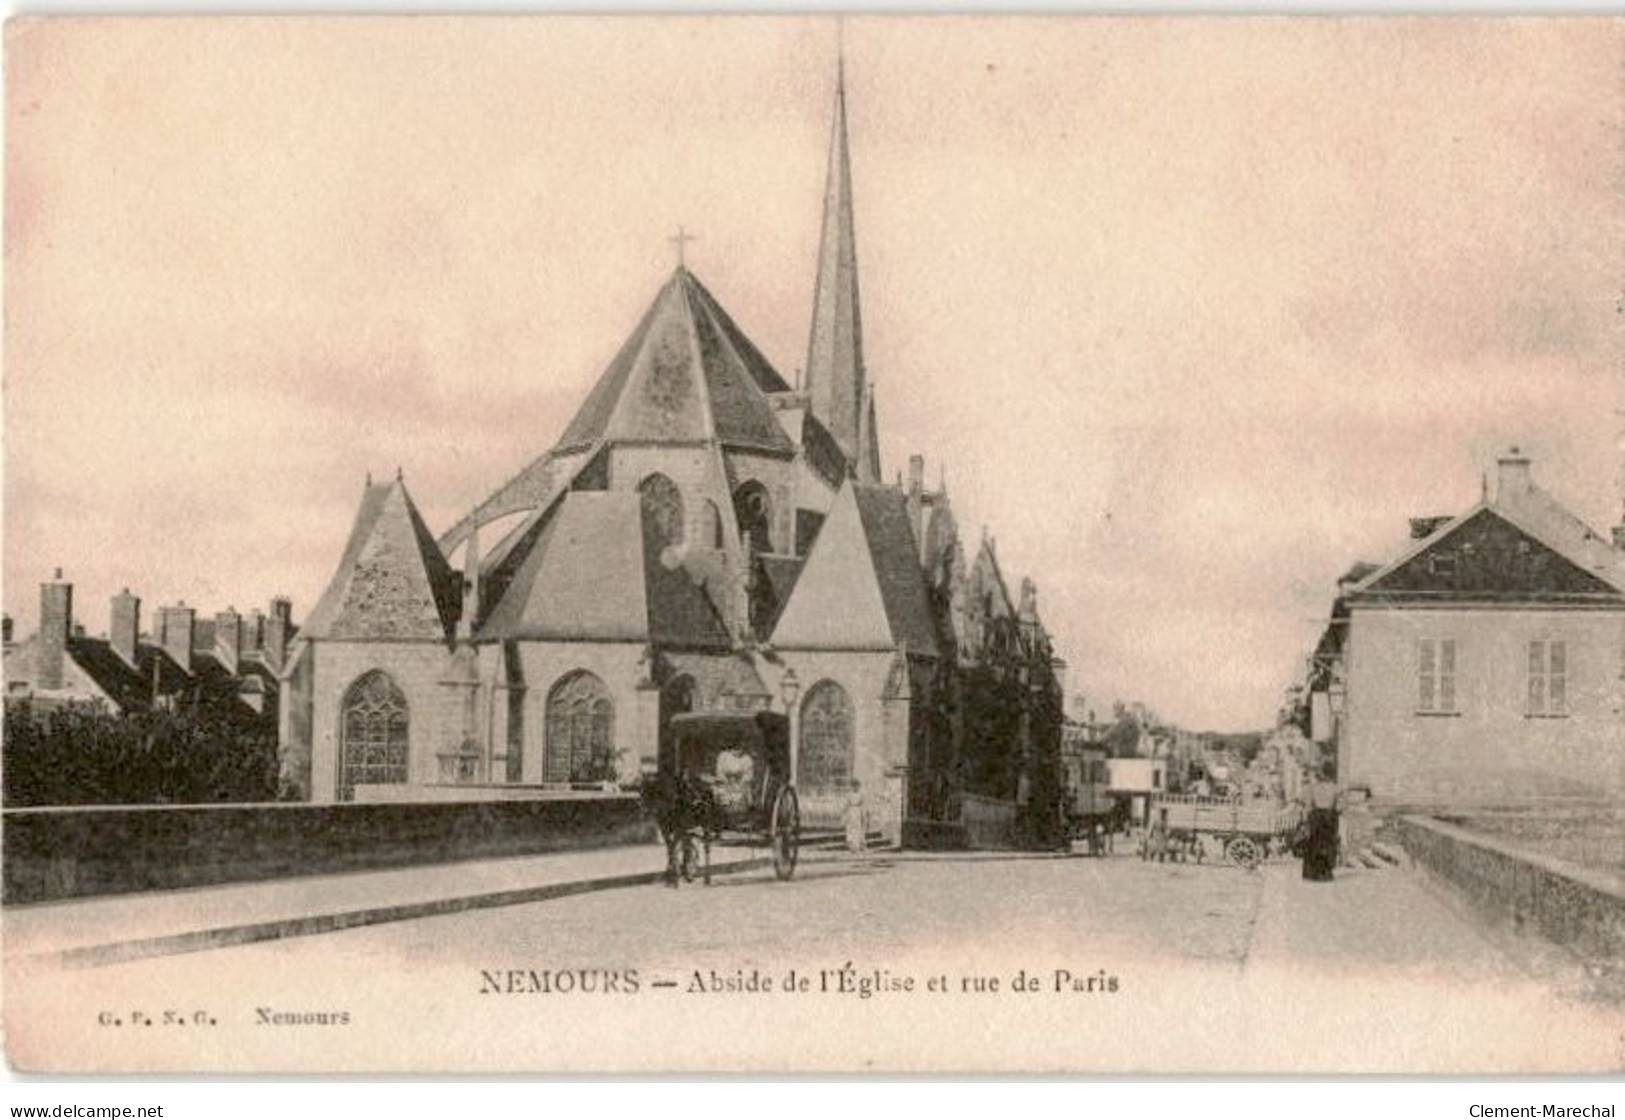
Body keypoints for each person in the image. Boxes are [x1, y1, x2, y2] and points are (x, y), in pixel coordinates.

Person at [1301, 762, 1340, 882]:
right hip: (1330, 817)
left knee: (1314, 844)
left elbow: (1309, 805)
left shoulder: (1313, 787)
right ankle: (1326, 873)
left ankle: (1313, 873)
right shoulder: (1335, 788)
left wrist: (1305, 819)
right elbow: (1340, 807)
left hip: (1316, 817)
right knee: (1328, 844)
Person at [844, 779, 867, 854]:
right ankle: (851, 846)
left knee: (858, 828)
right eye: (854, 786)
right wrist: (845, 813)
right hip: (851, 811)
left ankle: (857, 846)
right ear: (851, 786)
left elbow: (862, 803)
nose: (855, 788)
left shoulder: (861, 794)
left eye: (857, 786)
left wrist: (863, 814)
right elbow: (846, 804)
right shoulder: (849, 795)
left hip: (857, 811)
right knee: (850, 828)